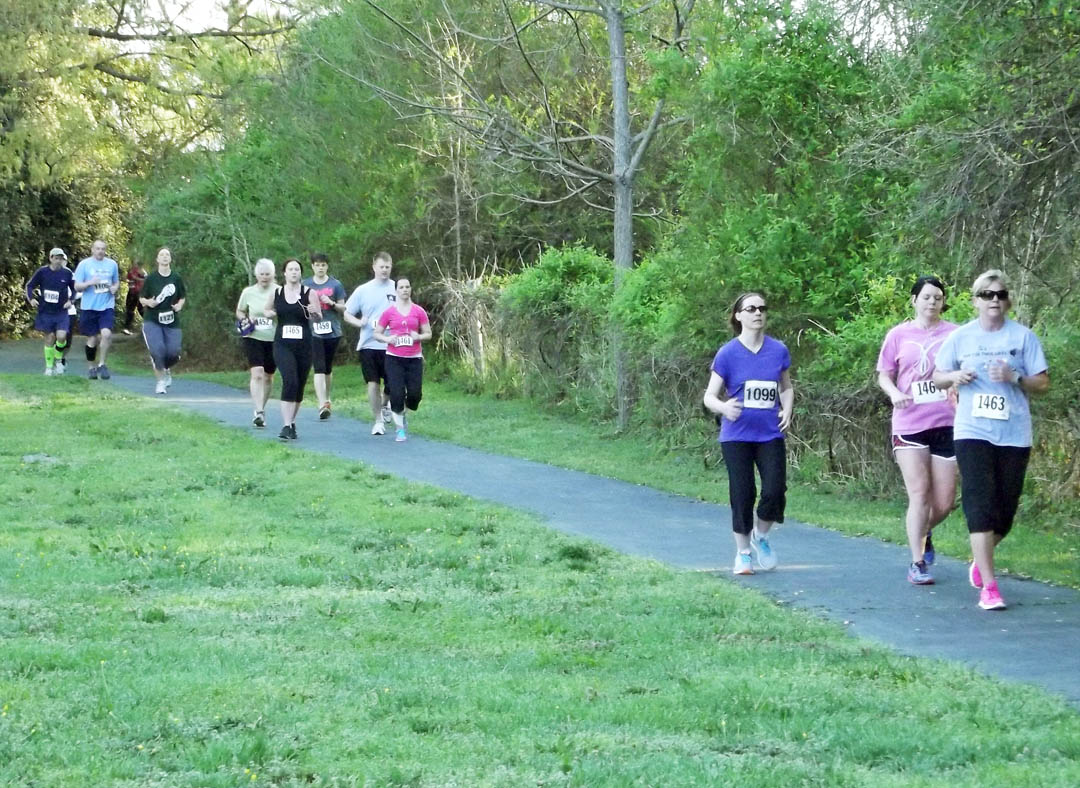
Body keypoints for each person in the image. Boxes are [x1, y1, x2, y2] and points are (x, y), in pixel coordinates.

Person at [934, 270, 1050, 611]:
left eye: (999, 294)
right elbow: (938, 376)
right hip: (973, 431)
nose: (994, 300)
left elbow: (1043, 383)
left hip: (1013, 433)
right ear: (975, 301)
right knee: (979, 504)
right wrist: (955, 376)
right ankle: (990, 586)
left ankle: (979, 557)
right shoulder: (960, 338)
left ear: (1008, 300)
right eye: (987, 295)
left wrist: (1015, 377)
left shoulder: (1024, 337)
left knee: (1004, 514)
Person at [703, 292, 794, 575]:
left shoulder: (778, 350)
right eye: (751, 308)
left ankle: (761, 536)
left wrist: (788, 409)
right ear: (738, 315)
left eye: (762, 308)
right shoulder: (728, 353)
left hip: (769, 433)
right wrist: (723, 407)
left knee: (775, 490)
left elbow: (786, 386)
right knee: (742, 493)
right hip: (736, 435)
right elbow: (709, 396)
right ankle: (743, 553)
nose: (758, 313)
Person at [876, 276, 958, 585]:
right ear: (914, 300)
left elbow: (964, 370)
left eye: (937, 297)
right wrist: (894, 393)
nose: (932, 302)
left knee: (945, 502)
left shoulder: (955, 334)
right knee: (919, 494)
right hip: (910, 422)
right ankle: (917, 562)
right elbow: (884, 374)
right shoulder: (898, 334)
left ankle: (923, 530)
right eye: (926, 297)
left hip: (946, 422)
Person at [264, 258, 322, 440]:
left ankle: (292, 422)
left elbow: (318, 318)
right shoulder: (277, 293)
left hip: (304, 345)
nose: (294, 272)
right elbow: (266, 310)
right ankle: (286, 425)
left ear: (301, 273)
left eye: (297, 269)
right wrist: (270, 313)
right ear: (284, 273)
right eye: (290, 269)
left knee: (299, 385)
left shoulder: (309, 293)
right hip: (282, 344)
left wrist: (314, 312)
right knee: (290, 379)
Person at [373, 277, 432, 442]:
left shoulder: (418, 311)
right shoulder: (389, 312)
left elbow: (429, 333)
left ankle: (401, 412)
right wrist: (387, 339)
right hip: (394, 359)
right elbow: (377, 333)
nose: (405, 290)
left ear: (410, 289)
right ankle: (400, 429)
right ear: (396, 290)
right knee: (397, 394)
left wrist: (418, 336)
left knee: (415, 395)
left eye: (407, 287)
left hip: (414, 359)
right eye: (401, 287)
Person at [344, 251, 396, 435]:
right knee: (373, 383)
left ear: (391, 268)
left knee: (392, 384)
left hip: (392, 344)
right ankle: (378, 421)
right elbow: (347, 313)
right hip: (369, 344)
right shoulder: (363, 290)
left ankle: (384, 405)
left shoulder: (397, 289)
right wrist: (360, 323)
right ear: (374, 267)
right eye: (381, 267)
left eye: (387, 267)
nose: (384, 270)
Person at [302, 252, 347, 419]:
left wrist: (332, 303)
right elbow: (298, 305)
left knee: (327, 368)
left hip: (332, 330)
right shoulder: (305, 284)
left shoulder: (336, 285)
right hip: (313, 331)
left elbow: (344, 307)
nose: (320, 267)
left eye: (323, 265)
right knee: (318, 367)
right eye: (317, 264)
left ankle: (327, 398)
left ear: (327, 266)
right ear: (312, 266)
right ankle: (321, 404)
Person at [236, 259, 278, 427]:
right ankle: (258, 411)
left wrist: (274, 313)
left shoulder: (279, 291)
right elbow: (239, 311)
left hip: (274, 338)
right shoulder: (248, 292)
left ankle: (262, 407)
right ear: (256, 275)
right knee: (257, 373)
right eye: (261, 274)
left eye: (268, 274)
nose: (265, 277)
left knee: (268, 376)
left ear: (273, 275)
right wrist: (246, 319)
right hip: (253, 337)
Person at [139, 248, 187, 395]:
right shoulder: (151, 279)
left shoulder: (176, 278)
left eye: (167, 255)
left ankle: (165, 368)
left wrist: (179, 305)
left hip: (171, 321)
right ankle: (160, 383)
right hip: (152, 320)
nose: (165, 257)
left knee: (174, 352)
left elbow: (182, 297)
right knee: (157, 351)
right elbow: (141, 299)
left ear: (170, 259)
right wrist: (149, 302)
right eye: (161, 255)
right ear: (157, 260)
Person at [72, 239, 120, 379]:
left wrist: (114, 288)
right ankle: (91, 367)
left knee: (106, 334)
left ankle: (102, 364)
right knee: (92, 339)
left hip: (106, 306)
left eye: (103, 249)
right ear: (92, 250)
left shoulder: (112, 264)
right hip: (89, 307)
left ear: (105, 250)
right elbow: (77, 286)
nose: (100, 251)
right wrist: (89, 283)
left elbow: (116, 281)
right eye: (97, 248)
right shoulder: (84, 265)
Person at [25, 248, 76, 375]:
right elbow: (29, 285)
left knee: (61, 336)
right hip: (46, 311)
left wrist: (71, 301)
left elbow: (75, 289)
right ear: (51, 258)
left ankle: (58, 360)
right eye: (56, 258)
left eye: (61, 258)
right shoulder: (42, 272)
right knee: (50, 338)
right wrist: (31, 299)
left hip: (61, 312)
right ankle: (49, 367)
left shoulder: (67, 273)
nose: (59, 261)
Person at [123, 260, 148, 334]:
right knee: (130, 310)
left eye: (136, 263)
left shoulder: (142, 271)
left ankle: (150, 324)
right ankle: (127, 328)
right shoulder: (131, 271)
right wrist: (128, 280)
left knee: (141, 309)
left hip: (139, 293)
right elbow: (126, 278)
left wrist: (136, 278)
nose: (135, 264)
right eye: (134, 262)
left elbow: (146, 280)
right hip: (131, 292)